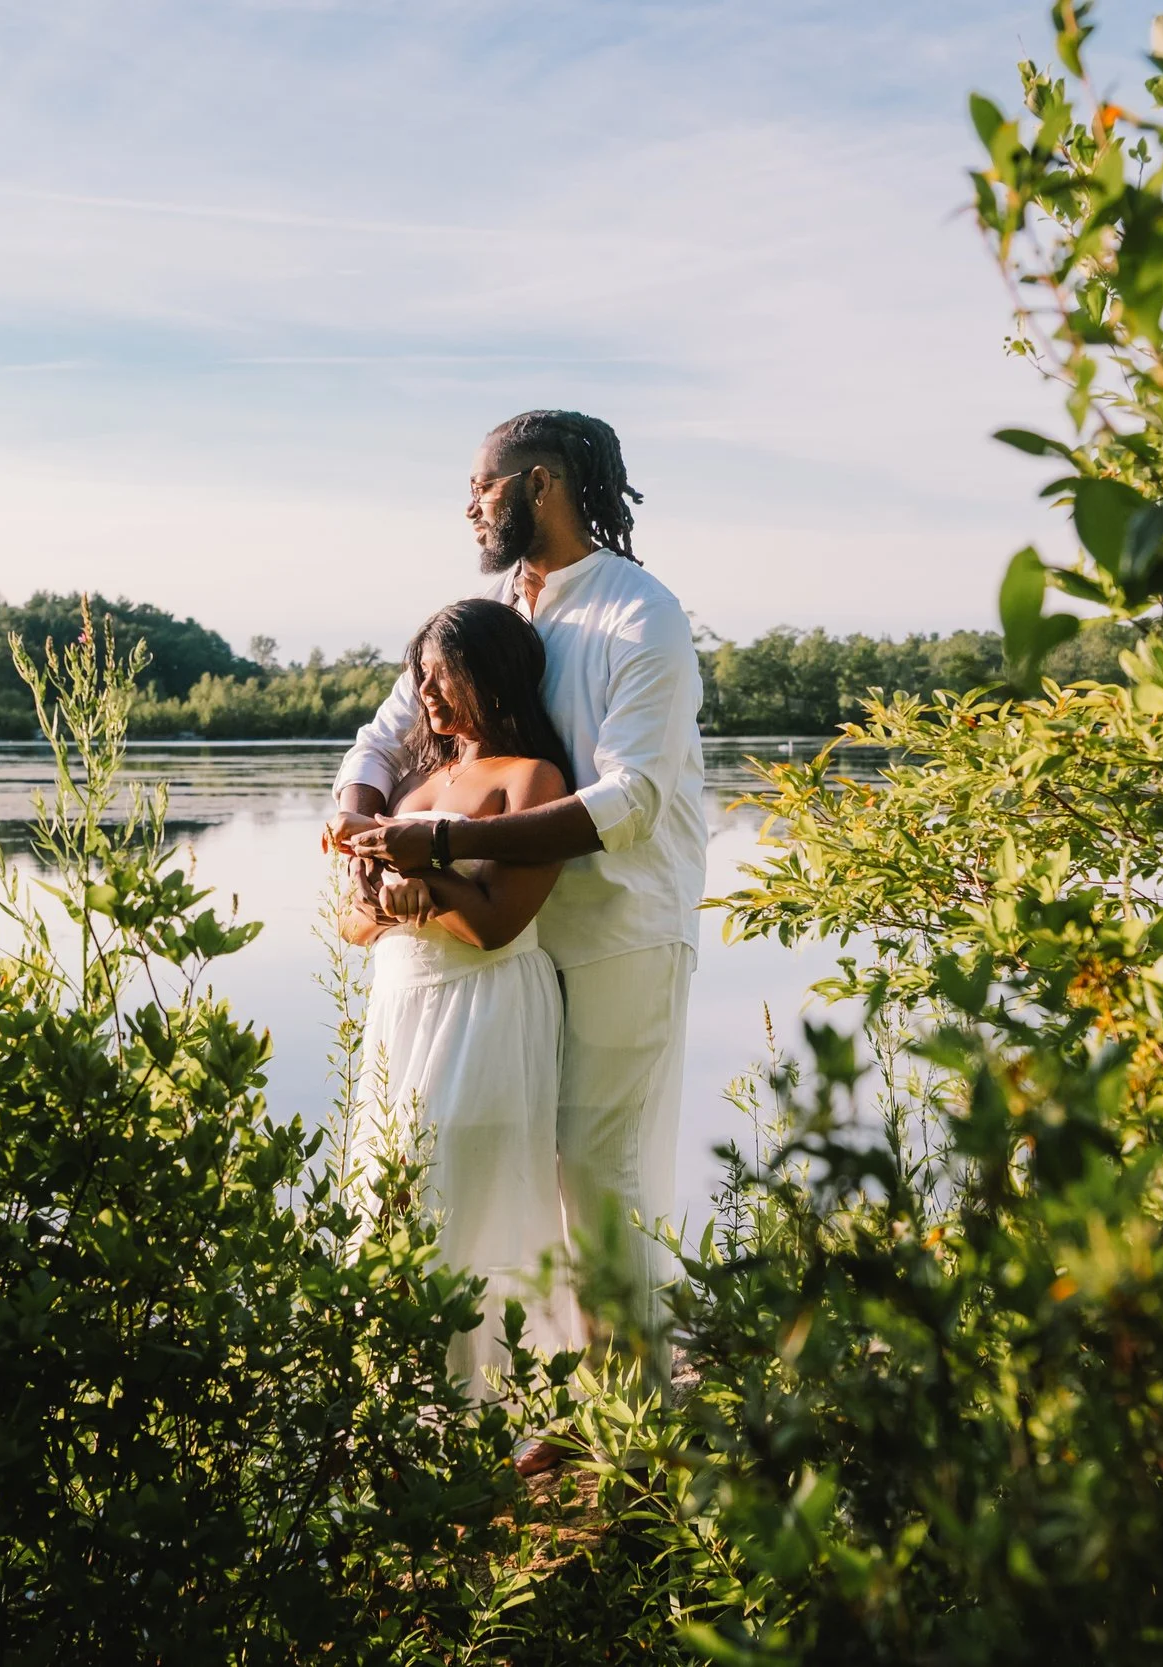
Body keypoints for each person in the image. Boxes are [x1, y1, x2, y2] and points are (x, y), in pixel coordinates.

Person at [331, 410, 708, 1443]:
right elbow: (388, 728)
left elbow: (630, 802)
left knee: (599, 1166)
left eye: (480, 487)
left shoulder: (643, 614)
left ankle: (632, 1418)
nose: (468, 506)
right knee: (510, 1172)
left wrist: (442, 842)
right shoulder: (496, 607)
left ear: (537, 485)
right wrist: (360, 813)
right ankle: (541, 1397)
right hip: (511, 945)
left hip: (622, 926)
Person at [335, 598, 586, 1400]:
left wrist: (427, 873)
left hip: (487, 1006)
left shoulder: (533, 780)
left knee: (473, 1195)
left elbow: (495, 923)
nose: (429, 694)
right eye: (423, 677)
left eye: (446, 676)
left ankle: (503, 1400)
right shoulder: (408, 781)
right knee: (389, 1191)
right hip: (400, 1004)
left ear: (493, 676)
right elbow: (349, 919)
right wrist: (382, 895)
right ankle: (397, 1399)